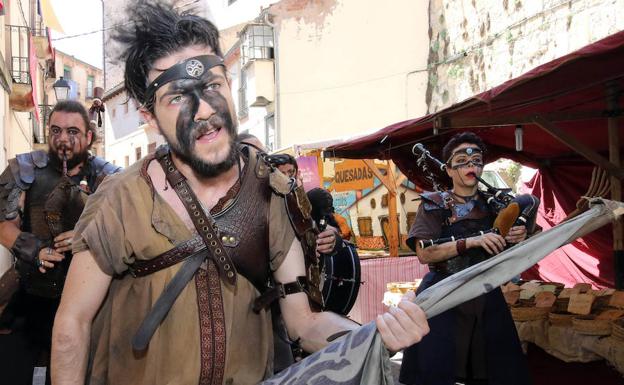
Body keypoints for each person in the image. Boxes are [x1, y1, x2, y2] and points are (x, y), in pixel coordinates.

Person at [50, 2, 429, 384]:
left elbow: (304, 322)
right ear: (149, 118)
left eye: (212, 85)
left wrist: (375, 335)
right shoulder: (121, 199)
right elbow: (73, 323)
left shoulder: (272, 193)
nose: (202, 110)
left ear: (229, 85)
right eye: (178, 96)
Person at [0, 100, 121, 385]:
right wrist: (32, 249)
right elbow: (2, 223)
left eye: (72, 131)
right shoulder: (24, 169)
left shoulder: (110, 178)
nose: (63, 139)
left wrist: (90, 232)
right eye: (55, 130)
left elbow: (127, 230)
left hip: (93, 301)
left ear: (89, 136)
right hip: (34, 292)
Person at [399, 132, 531, 385]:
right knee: (437, 369)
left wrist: (518, 235)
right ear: (448, 169)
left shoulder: (496, 206)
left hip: (486, 296)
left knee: (496, 371)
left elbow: (511, 251)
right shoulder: (434, 204)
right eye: (462, 159)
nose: (472, 165)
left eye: (477, 160)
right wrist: (470, 242)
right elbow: (424, 253)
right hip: (443, 295)